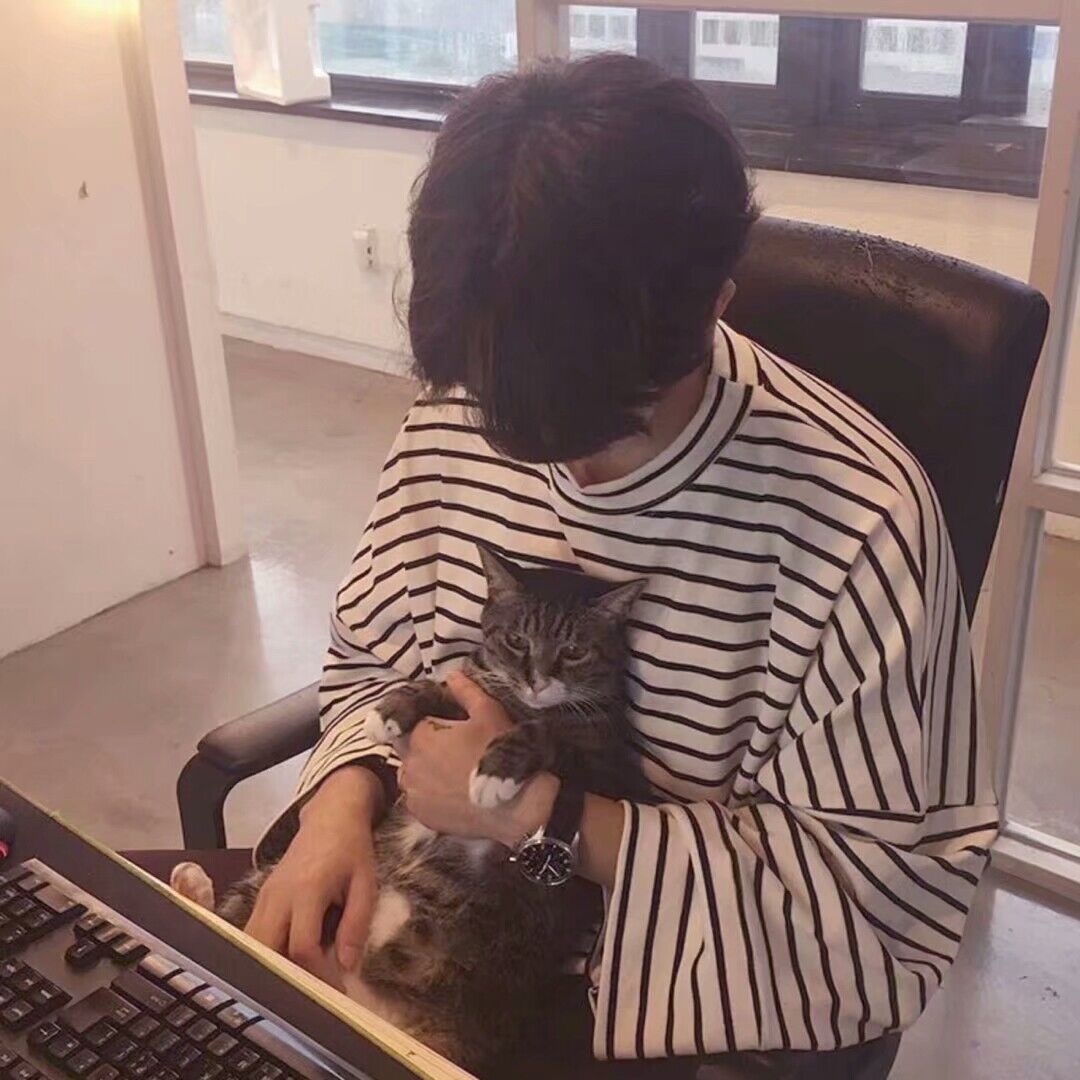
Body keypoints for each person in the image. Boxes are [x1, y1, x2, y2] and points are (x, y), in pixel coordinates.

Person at [247, 54, 995, 1077]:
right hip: (425, 905)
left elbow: (872, 915)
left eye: (603, 430)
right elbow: (373, 663)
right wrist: (339, 803)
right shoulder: (467, 405)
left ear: (717, 305)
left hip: (664, 990)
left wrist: (545, 817)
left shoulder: (859, 520)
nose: (568, 477)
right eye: (499, 415)